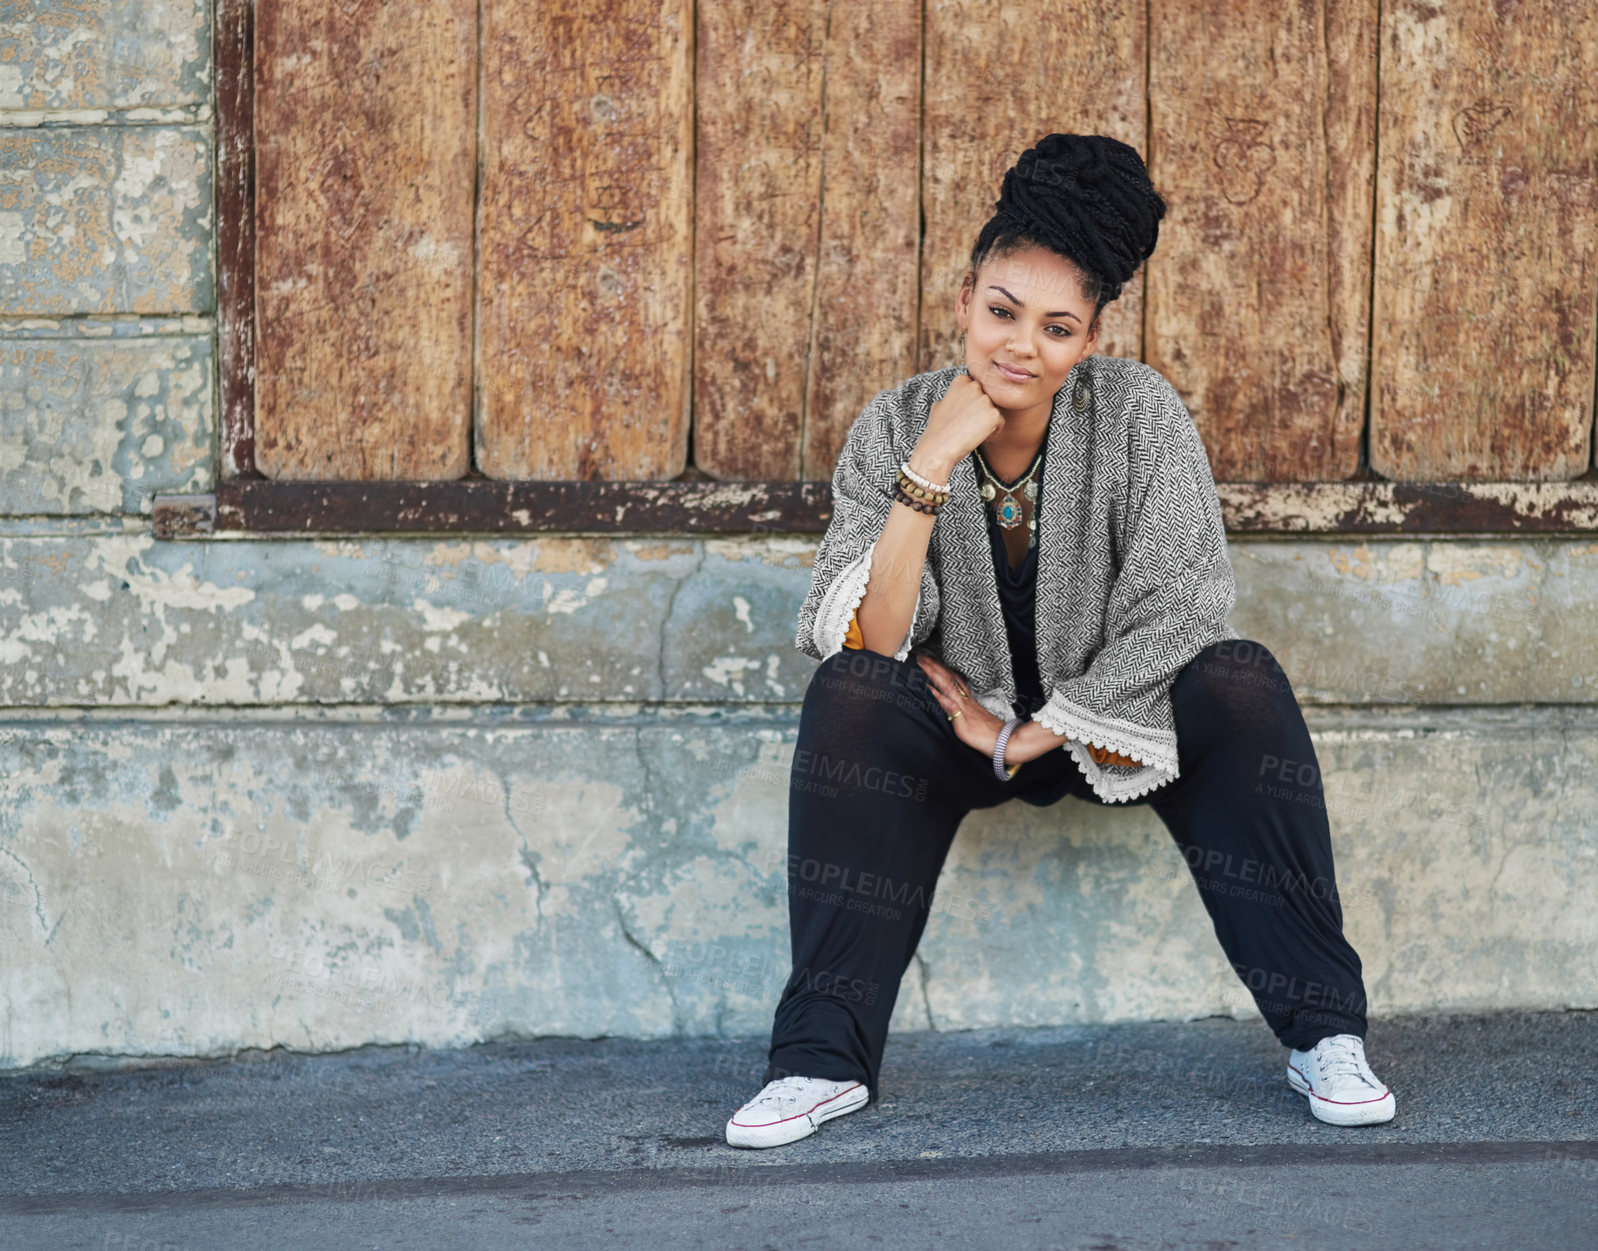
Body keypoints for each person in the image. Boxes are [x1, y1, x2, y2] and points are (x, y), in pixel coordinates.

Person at [725, 134, 1394, 1149]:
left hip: (1112, 728)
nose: (1018, 347)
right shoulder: (894, 422)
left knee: (1237, 678)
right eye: (1000, 311)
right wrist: (930, 465)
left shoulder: (1138, 415)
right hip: (950, 738)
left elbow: (1183, 602)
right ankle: (820, 1060)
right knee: (854, 692)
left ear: (1086, 340)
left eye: (1055, 327)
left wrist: (1032, 731)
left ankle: (1325, 1037)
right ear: (963, 297)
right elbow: (866, 634)